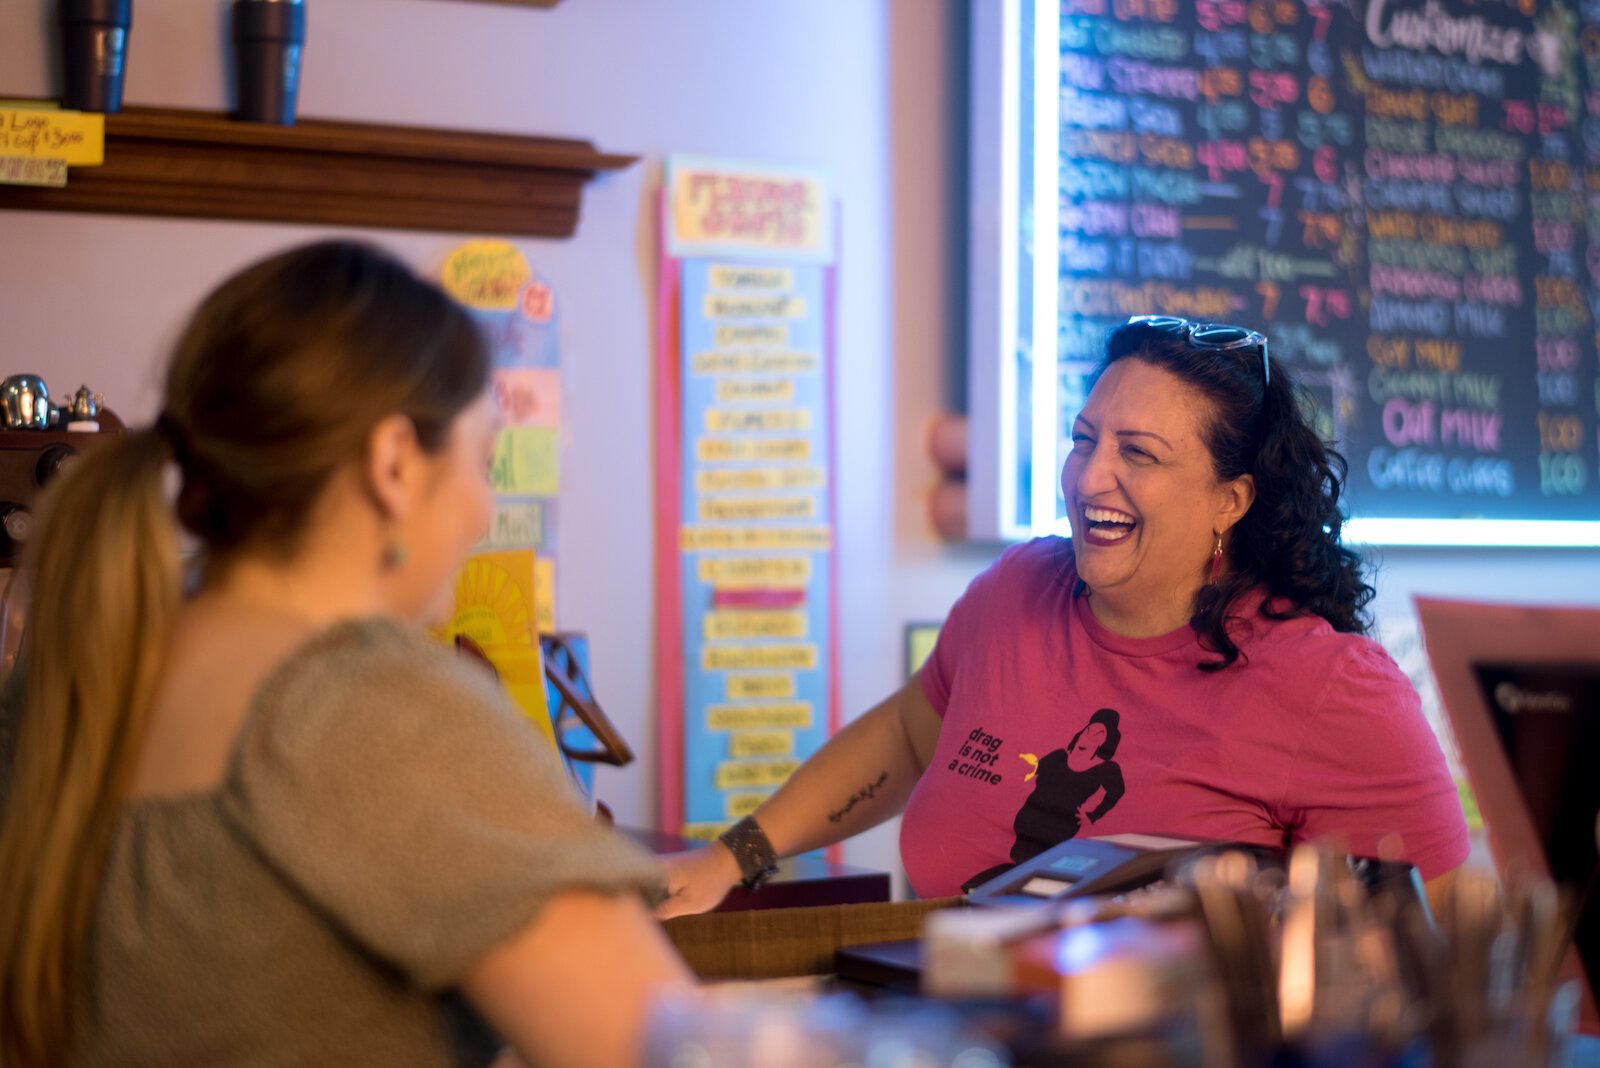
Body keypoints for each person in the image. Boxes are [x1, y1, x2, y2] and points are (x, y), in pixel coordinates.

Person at [0, 241, 693, 1067]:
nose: (484, 509)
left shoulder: (70, 660)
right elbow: (670, 1050)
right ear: (394, 463)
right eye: (483, 459)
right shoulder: (379, 708)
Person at [660, 315, 1469, 916]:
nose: (1088, 479)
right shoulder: (1016, 590)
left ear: (1231, 500)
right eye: (1085, 440)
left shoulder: (1334, 690)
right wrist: (735, 857)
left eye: (1137, 453)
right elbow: (908, 735)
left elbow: (1427, 967)